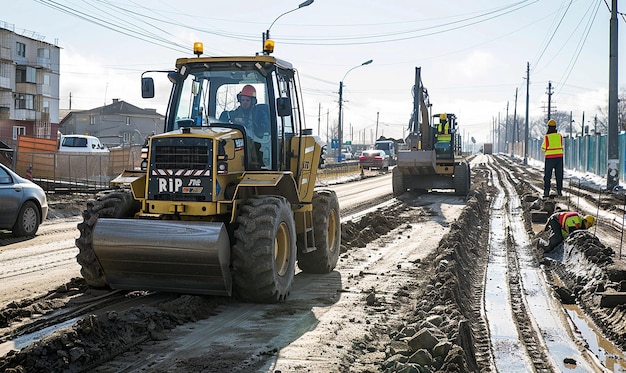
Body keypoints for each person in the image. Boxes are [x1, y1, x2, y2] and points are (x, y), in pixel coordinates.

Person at [219, 85, 271, 167]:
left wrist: (248, 122)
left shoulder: (260, 114)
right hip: (236, 145)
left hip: (255, 145)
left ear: (253, 101)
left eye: (247, 100)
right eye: (243, 100)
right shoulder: (232, 114)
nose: (245, 102)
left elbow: (264, 129)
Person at [541, 119, 564, 197]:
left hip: (549, 158)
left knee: (547, 175)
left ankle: (546, 191)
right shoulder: (560, 136)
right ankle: (559, 191)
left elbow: (543, 149)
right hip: (559, 158)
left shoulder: (547, 137)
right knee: (559, 175)